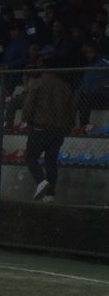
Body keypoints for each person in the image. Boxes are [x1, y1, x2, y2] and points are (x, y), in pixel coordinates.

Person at [22, 67, 76, 203]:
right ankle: (49, 195)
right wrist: (69, 126)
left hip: (40, 128)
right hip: (58, 129)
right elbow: (72, 109)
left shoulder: (37, 83)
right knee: (51, 160)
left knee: (31, 157)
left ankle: (41, 182)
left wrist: (28, 120)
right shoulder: (65, 87)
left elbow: (28, 105)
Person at [75, 42, 109, 128]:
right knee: (79, 99)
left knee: (86, 100)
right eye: (87, 53)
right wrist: (78, 93)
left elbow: (101, 83)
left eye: (90, 52)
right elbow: (84, 83)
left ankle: (84, 126)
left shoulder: (104, 63)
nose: (88, 55)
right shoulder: (89, 66)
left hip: (103, 94)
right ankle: (78, 126)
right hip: (90, 94)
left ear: (96, 52)